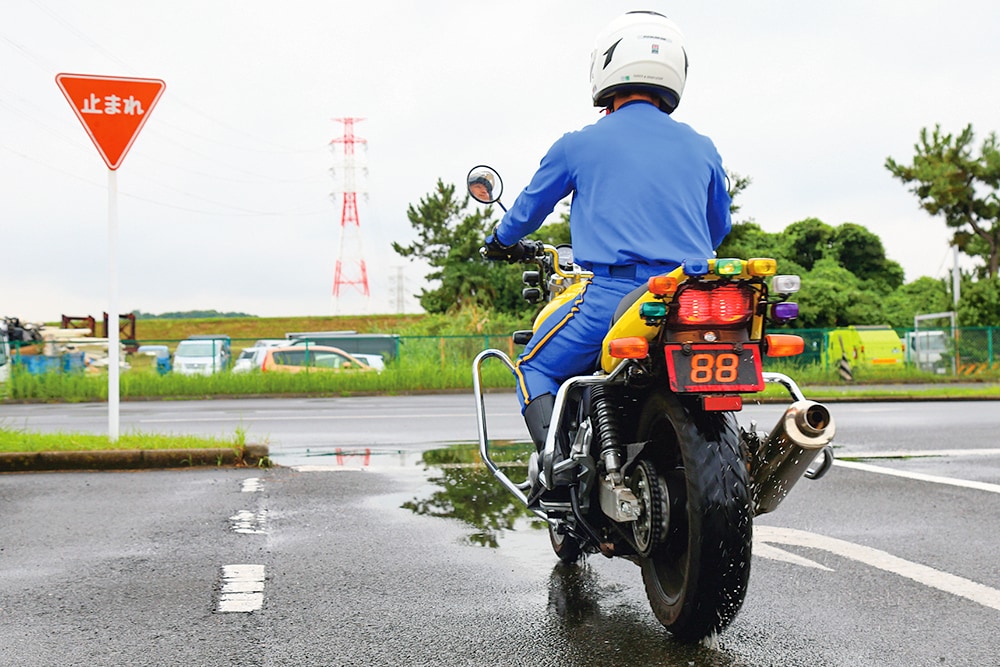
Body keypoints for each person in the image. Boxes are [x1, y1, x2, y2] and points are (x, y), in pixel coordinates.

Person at [482, 11, 732, 455]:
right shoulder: (702, 146)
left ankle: (559, 469)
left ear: (607, 68)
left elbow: (528, 209)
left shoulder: (578, 144)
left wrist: (500, 241)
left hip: (613, 294)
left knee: (533, 369)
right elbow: (718, 228)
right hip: (690, 291)